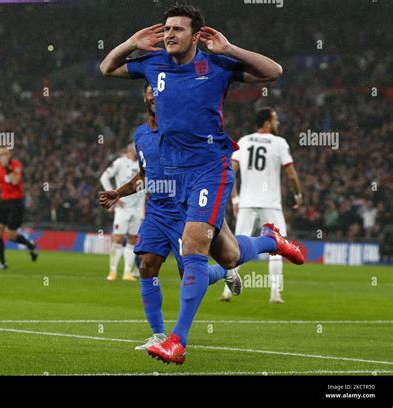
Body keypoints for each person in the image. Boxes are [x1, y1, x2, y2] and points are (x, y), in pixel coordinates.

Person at [100, 3, 304, 364]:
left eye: (177, 29)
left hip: (210, 166)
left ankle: (177, 341)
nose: (169, 35)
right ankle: (271, 240)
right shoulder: (153, 64)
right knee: (226, 255)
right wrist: (132, 41)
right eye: (166, 29)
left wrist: (230, 49)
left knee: (193, 245)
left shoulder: (217, 65)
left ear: (197, 35)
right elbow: (107, 67)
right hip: (175, 175)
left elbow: (275, 71)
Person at [99, 82, 242, 350]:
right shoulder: (140, 135)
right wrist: (119, 192)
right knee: (147, 266)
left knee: (188, 273)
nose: (154, 95)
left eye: (158, 91)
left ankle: (224, 269)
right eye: (150, 91)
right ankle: (158, 335)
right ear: (144, 97)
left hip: (183, 209)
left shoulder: (181, 129)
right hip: (156, 211)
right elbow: (143, 176)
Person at [222, 107, 303, 304]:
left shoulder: (244, 141)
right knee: (278, 244)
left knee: (236, 245)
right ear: (267, 123)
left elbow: (231, 172)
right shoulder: (279, 143)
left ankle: (226, 291)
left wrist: (235, 199)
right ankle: (275, 293)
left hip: (247, 203)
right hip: (271, 204)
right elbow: (291, 174)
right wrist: (298, 194)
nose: (278, 123)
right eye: (275, 119)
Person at [0, 147, 38, 270]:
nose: (2, 156)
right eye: (0, 154)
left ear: (10, 155)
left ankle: (31, 246)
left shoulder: (16, 165)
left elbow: (15, 181)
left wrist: (7, 168)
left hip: (16, 203)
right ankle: (2, 263)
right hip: (4, 202)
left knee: (11, 236)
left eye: (5, 154)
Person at [99, 143, 145, 281]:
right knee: (118, 238)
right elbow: (104, 177)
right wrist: (114, 194)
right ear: (130, 149)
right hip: (123, 208)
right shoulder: (120, 162)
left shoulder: (142, 164)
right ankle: (112, 272)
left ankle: (127, 273)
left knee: (132, 239)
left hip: (137, 208)